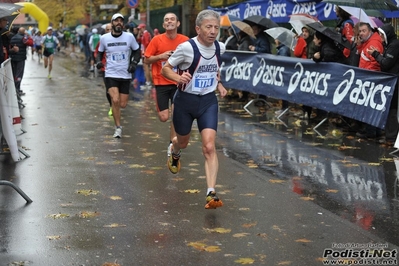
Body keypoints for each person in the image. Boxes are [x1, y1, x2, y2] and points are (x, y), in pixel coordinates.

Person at [161, 9, 227, 209]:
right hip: (185, 102)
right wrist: (178, 78)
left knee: (209, 147)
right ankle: (174, 149)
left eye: (216, 27)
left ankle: (211, 193)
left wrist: (219, 83)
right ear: (198, 29)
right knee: (183, 142)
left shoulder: (219, 47)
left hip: (208, 101)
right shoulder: (186, 48)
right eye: (209, 27)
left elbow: (215, 68)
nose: (213, 31)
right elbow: (166, 68)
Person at [143, 12, 189, 156]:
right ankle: (172, 140)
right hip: (161, 82)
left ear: (178, 23)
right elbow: (146, 60)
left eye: (172, 19)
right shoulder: (157, 40)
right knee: (164, 117)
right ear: (163, 25)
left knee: (176, 114)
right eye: (166, 20)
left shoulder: (185, 41)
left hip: (178, 82)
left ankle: (172, 145)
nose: (169, 21)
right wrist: (161, 56)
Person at [96, 13, 141, 138]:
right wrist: (99, 62)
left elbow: (137, 51)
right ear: (112, 23)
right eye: (116, 21)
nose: (119, 23)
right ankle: (118, 128)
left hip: (125, 75)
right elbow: (99, 53)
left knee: (122, 104)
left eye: (121, 21)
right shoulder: (104, 38)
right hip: (110, 73)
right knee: (115, 100)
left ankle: (115, 110)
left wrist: (134, 63)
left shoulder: (129, 37)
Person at [368, 23, 399, 144]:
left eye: (381, 34)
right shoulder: (389, 45)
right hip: (390, 80)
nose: (380, 37)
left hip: (394, 81)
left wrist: (376, 54)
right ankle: (389, 135)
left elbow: (386, 63)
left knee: (392, 109)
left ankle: (391, 138)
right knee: (388, 108)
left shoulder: (394, 45)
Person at [355, 22, 384, 139]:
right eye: (360, 31)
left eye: (363, 31)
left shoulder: (374, 43)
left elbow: (376, 64)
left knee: (370, 106)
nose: (361, 33)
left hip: (371, 79)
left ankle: (371, 131)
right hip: (367, 78)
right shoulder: (368, 42)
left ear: (370, 31)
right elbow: (364, 54)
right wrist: (359, 45)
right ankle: (372, 130)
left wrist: (366, 75)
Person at [9, 27, 33, 96]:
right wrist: (28, 36)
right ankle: (17, 89)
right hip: (20, 59)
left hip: (13, 58)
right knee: (19, 75)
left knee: (14, 74)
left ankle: (15, 88)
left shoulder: (13, 37)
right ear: (23, 32)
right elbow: (31, 43)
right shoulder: (23, 38)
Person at [274, 38, 291, 116]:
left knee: (284, 89)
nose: (275, 40)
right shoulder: (281, 48)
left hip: (284, 73)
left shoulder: (283, 49)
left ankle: (285, 108)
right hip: (282, 72)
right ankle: (284, 107)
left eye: (276, 39)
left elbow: (282, 61)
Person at [138, 23, 152, 88]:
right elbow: (139, 39)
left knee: (146, 68)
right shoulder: (144, 34)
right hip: (144, 52)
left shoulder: (146, 34)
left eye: (140, 29)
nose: (139, 30)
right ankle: (147, 81)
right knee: (145, 68)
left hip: (145, 53)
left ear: (143, 28)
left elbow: (146, 43)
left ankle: (148, 82)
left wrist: (145, 52)